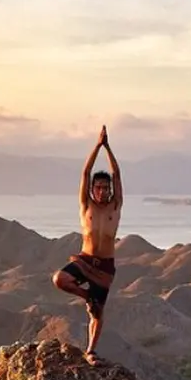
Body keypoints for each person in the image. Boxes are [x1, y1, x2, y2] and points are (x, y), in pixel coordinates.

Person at [52, 125, 123, 363]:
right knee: (60, 279)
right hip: (85, 260)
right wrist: (97, 146)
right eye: (99, 187)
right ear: (92, 189)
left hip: (104, 266)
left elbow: (117, 175)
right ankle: (86, 296)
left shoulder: (115, 207)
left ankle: (90, 351)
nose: (103, 191)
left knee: (98, 314)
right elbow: (85, 173)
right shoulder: (86, 207)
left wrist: (108, 148)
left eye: (106, 188)